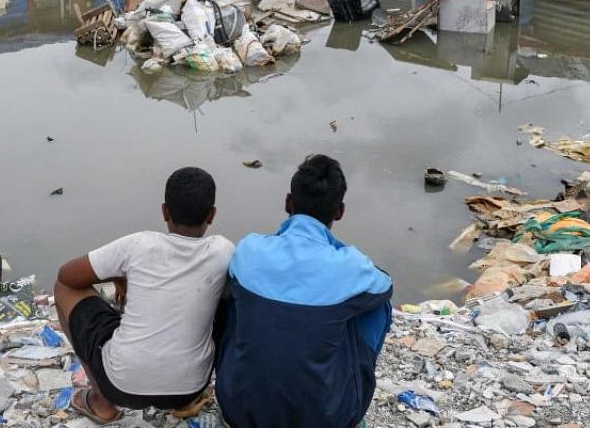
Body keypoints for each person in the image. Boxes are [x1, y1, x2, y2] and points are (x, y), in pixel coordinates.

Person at [215, 154, 393, 428]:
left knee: (233, 296)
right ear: (339, 211)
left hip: (239, 410)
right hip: (325, 420)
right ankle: (352, 386)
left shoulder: (250, 249)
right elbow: (385, 284)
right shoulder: (350, 265)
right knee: (377, 305)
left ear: (288, 201)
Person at [53, 167, 233, 425]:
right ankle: (182, 401)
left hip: (121, 386)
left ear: (164, 211)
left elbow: (67, 276)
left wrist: (118, 273)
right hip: (191, 386)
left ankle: (102, 403)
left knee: (63, 290)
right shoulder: (223, 251)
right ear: (212, 214)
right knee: (227, 301)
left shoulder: (139, 244)